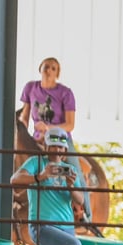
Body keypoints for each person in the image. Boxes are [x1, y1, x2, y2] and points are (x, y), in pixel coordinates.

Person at [10, 126, 84, 245]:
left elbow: (79, 200)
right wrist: (41, 176)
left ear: (65, 149)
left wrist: (71, 186)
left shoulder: (69, 169)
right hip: (42, 226)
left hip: (66, 227)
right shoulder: (37, 162)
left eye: (60, 147)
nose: (57, 150)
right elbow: (14, 180)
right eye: (53, 146)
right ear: (46, 146)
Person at [19, 57, 92, 221]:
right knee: (21, 160)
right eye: (46, 66)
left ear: (57, 73)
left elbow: (70, 125)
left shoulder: (65, 93)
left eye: (53, 68)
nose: (49, 70)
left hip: (61, 140)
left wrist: (48, 128)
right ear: (40, 68)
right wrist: (20, 129)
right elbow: (24, 116)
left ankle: (86, 214)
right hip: (38, 138)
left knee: (74, 171)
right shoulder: (31, 88)